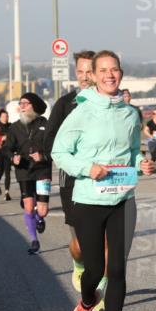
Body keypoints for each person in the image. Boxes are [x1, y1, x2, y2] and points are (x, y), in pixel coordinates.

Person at [51, 51, 156, 311]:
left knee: (118, 269)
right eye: (104, 70)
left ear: (121, 74)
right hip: (89, 200)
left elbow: (134, 152)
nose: (111, 75)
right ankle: (86, 301)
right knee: (94, 269)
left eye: (115, 70)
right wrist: (88, 168)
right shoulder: (81, 112)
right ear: (94, 76)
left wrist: (142, 165)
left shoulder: (130, 114)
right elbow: (61, 152)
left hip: (123, 199)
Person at [44, 51, 97, 291]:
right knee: (81, 241)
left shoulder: (109, 102)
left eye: (89, 71)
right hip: (72, 180)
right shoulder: (65, 103)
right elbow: (50, 140)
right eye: (81, 72)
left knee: (103, 239)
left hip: (102, 180)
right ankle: (79, 264)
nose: (85, 77)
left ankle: (100, 288)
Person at [4, 92, 52, 255]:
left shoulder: (46, 125)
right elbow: (7, 149)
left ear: (34, 106)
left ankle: (39, 219)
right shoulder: (15, 127)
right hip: (24, 170)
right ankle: (34, 240)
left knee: (43, 210)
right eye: (21, 103)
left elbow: (54, 149)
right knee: (29, 206)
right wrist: (13, 158)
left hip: (42, 169)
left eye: (25, 103)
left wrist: (42, 156)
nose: (22, 106)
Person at [0, 109, 13, 201]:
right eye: (4, 116)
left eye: (7, 116)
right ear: (0, 117)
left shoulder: (11, 126)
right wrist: (1, 139)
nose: (6, 118)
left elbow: (15, 137)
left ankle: (7, 193)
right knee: (0, 170)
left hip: (8, 151)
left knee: (8, 172)